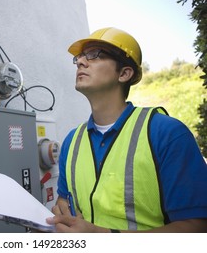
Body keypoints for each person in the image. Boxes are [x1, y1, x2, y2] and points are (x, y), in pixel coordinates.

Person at [46, 27, 207, 233]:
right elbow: (63, 199)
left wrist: (102, 237)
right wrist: (61, 212)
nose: (80, 62)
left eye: (95, 55)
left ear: (124, 73)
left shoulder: (167, 133)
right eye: (79, 57)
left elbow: (197, 228)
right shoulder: (71, 141)